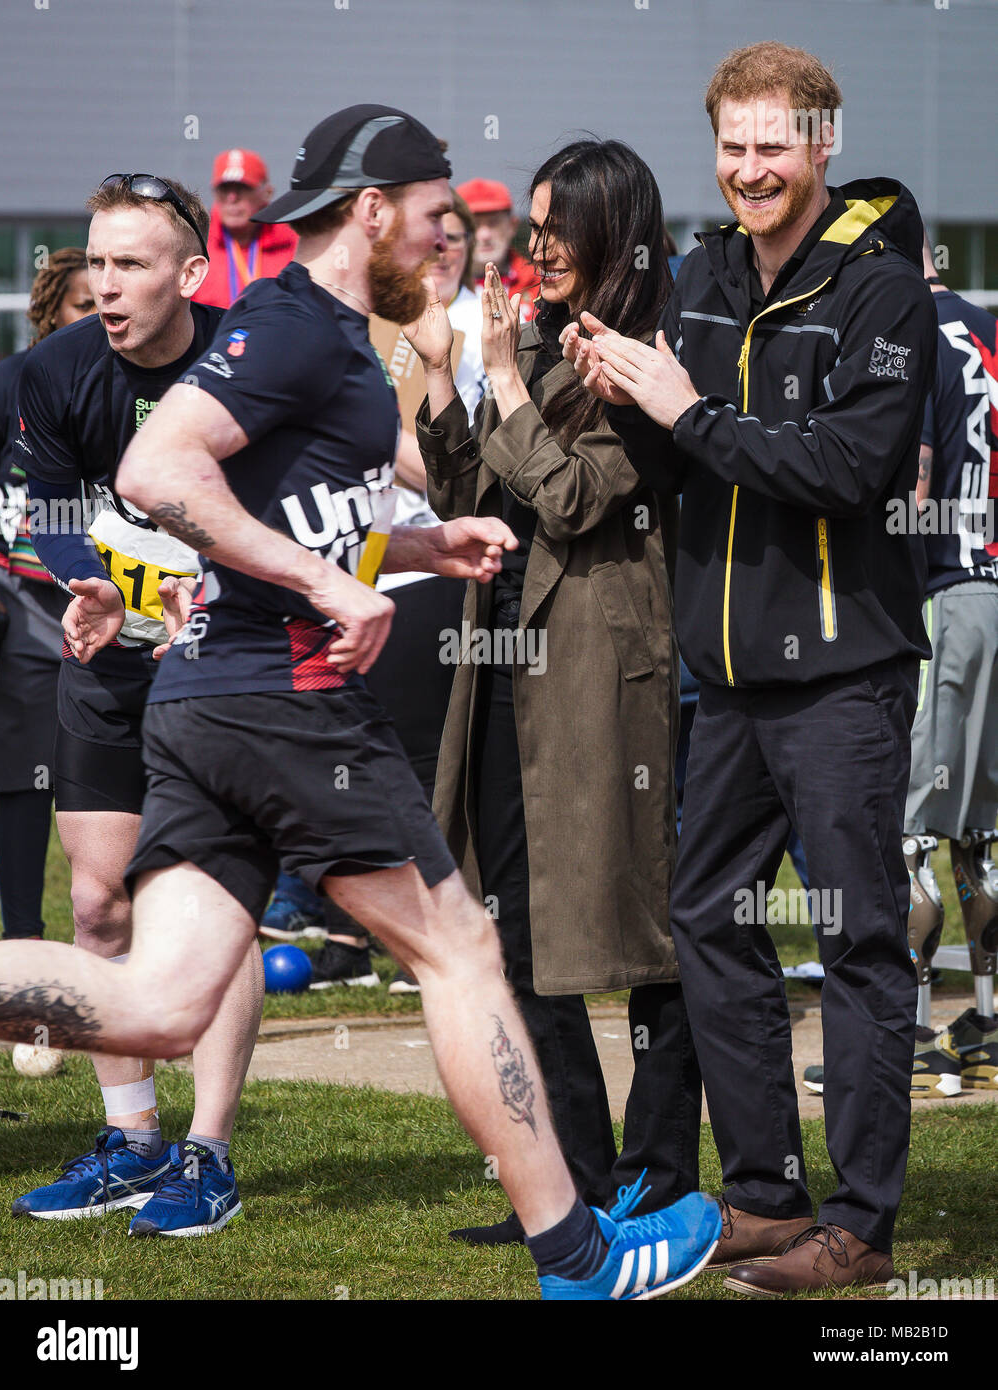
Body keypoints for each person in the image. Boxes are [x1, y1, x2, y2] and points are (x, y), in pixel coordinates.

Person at [0, 104, 721, 1301]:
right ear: (371, 211)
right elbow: (155, 470)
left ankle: (576, 1246)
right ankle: (579, 1256)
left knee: (160, 1003)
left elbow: (298, 507)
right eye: (438, 219)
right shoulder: (297, 324)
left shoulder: (317, 332)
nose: (451, 245)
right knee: (465, 947)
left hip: (212, 697)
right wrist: (328, 582)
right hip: (289, 701)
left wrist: (425, 543)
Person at [565, 41, 937, 1294]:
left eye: (774, 145)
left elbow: (850, 470)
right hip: (721, 683)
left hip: (844, 679)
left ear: (821, 145)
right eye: (731, 145)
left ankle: (864, 1228)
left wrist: (685, 412)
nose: (749, 168)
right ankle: (767, 1196)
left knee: (859, 948)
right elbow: (685, 471)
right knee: (708, 928)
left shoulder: (886, 293)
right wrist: (624, 400)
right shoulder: (702, 275)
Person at [409, 139, 699, 1243]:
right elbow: (465, 486)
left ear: (611, 228)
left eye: (555, 226)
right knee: (515, 925)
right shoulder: (528, 335)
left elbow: (578, 498)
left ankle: (661, 1169)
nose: (536, 248)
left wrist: (513, 384)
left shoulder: (654, 351)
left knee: (639, 929)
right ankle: (567, 1181)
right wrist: (446, 372)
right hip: (503, 662)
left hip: (599, 675)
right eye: (531, 226)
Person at [12, 175, 264, 1236]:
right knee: (101, 906)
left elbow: (291, 507)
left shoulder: (251, 360)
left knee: (213, 905)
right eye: (97, 263)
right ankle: (132, 1141)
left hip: (230, 670)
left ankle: (208, 1155)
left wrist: (215, 582)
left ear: (191, 275)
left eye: (131, 265)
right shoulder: (57, 370)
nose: (106, 286)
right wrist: (91, 585)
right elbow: (51, 509)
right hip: (108, 666)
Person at [302, 189, 485, 993]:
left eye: (455, 240)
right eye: (430, 238)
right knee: (344, 753)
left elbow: (456, 473)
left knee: (417, 759)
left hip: (428, 568)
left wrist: (392, 446)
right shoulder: (362, 322)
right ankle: (350, 937)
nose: (440, 251)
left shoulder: (474, 325)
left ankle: (427, 936)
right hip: (349, 568)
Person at [901, 233, 998, 1076]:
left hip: (941, 596)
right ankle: (988, 1024)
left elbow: (916, 478)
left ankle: (914, 1037)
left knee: (910, 833)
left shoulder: (909, 332)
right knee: (983, 832)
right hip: (997, 586)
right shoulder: (986, 328)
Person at [0, 248, 95, 944]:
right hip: (26, 607)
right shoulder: (9, 384)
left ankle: (118, 948)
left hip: (117, 611)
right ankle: (23, 944)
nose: (99, 313)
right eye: (84, 303)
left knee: (107, 782)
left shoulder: (136, 385)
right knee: (24, 782)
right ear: (52, 309)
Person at [193, 148, 297, 310]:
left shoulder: (293, 244)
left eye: (242, 189)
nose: (232, 198)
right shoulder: (197, 244)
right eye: (224, 189)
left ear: (267, 193)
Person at [457, 178, 539, 322]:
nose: (484, 235)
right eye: (474, 224)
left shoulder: (541, 283)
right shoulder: (438, 286)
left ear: (512, 225)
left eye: (494, 223)